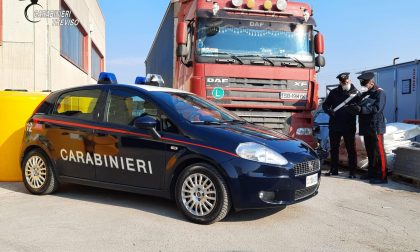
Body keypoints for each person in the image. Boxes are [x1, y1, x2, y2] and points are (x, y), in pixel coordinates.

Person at [322, 73, 361, 178]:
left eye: (346, 81)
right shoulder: (334, 92)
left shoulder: (356, 93)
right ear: (340, 82)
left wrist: (356, 109)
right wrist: (328, 111)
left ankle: (352, 172)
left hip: (349, 126)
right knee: (334, 149)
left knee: (350, 149)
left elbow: (360, 108)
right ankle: (334, 169)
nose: (345, 83)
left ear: (350, 80)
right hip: (335, 125)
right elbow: (325, 104)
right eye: (342, 82)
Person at [357, 72, 388, 184]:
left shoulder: (379, 93)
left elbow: (377, 109)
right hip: (366, 127)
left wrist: (362, 110)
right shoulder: (366, 93)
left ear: (371, 82)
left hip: (376, 126)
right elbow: (360, 104)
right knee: (370, 152)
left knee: (379, 152)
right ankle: (372, 172)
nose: (363, 86)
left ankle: (383, 176)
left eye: (364, 83)